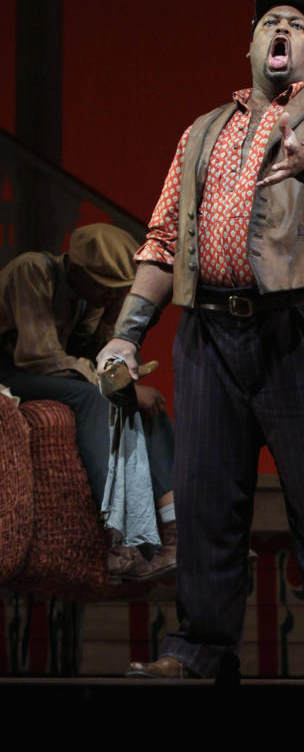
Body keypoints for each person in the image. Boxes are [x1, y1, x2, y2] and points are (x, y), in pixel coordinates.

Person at [95, 0, 304, 683]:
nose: (282, 30)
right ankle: (198, 650)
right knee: (205, 500)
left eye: (297, 24)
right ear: (251, 46)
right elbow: (166, 235)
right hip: (211, 332)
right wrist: (125, 334)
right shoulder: (204, 130)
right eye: (270, 22)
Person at [0, 222, 176, 582]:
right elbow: (39, 357)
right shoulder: (33, 271)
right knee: (94, 396)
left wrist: (113, 342)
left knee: (148, 405)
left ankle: (176, 527)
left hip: (57, 370)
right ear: (79, 272)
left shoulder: (91, 299)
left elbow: (100, 355)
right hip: (13, 369)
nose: (112, 298)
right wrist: (119, 385)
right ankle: (120, 533)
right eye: (106, 290)